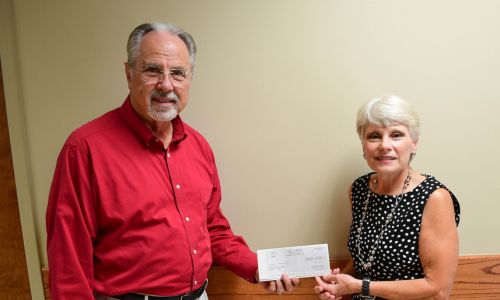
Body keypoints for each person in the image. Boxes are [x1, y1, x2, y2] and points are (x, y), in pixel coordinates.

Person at [46, 22, 299, 300]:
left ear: (190, 80)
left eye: (178, 73)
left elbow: (213, 230)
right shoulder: (84, 148)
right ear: (129, 74)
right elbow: (68, 260)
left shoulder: (199, 147)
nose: (166, 84)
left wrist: (261, 268)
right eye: (153, 70)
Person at [314, 95, 460, 300]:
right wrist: (338, 284)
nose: (384, 145)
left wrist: (360, 286)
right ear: (363, 145)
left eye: (396, 135)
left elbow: (438, 290)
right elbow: (364, 261)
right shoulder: (358, 190)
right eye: (374, 136)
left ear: (414, 144)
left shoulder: (435, 198)